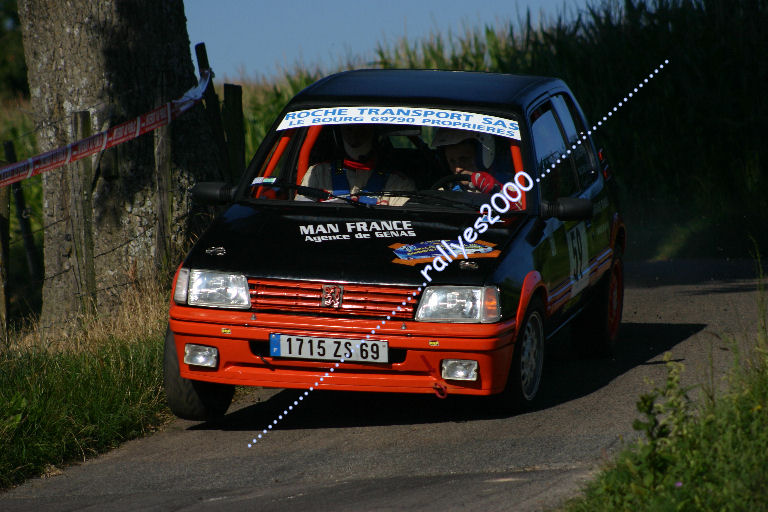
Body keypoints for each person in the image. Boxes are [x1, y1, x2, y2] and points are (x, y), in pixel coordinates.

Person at [298, 124, 415, 206]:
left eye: (362, 127)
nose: (355, 134)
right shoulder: (318, 173)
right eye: (349, 128)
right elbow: (300, 219)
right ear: (339, 131)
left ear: (374, 130)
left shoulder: (399, 184)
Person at [431, 128, 503, 193]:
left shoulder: (508, 187)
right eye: (452, 161)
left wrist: (495, 189)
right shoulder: (446, 192)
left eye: (464, 159)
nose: (458, 169)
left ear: (482, 158)